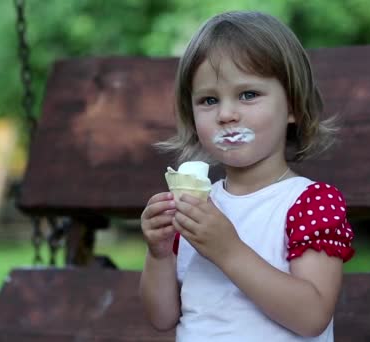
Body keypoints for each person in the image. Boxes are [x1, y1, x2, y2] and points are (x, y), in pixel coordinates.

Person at [139, 10, 355, 341]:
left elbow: (312, 316)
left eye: (248, 94)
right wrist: (158, 253)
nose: (226, 114)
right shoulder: (196, 206)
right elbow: (162, 317)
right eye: (209, 100)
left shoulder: (310, 203)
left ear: (293, 106)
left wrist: (228, 250)